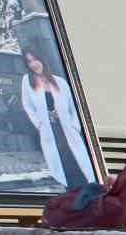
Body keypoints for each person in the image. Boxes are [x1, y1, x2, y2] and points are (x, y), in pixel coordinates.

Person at [18, 46, 95, 190]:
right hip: (50, 129)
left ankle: (84, 187)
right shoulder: (27, 82)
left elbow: (74, 106)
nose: (34, 64)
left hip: (66, 128)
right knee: (60, 158)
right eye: (29, 61)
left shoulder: (59, 82)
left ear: (42, 59)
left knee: (76, 158)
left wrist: (74, 125)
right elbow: (27, 104)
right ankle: (70, 189)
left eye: (35, 59)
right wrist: (39, 123)